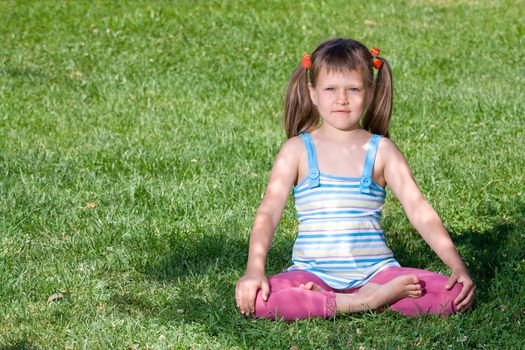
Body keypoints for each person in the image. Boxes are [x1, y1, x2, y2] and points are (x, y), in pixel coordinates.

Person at [235, 38, 476, 321]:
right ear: (312, 92)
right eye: (330, 89)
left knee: (454, 295)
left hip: (377, 272)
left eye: (353, 89)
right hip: (312, 273)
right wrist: (254, 270)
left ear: (370, 92)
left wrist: (456, 266)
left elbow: (418, 209)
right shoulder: (297, 150)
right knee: (258, 301)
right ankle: (366, 301)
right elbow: (269, 213)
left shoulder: (381, 150)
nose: (342, 99)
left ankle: (337, 300)